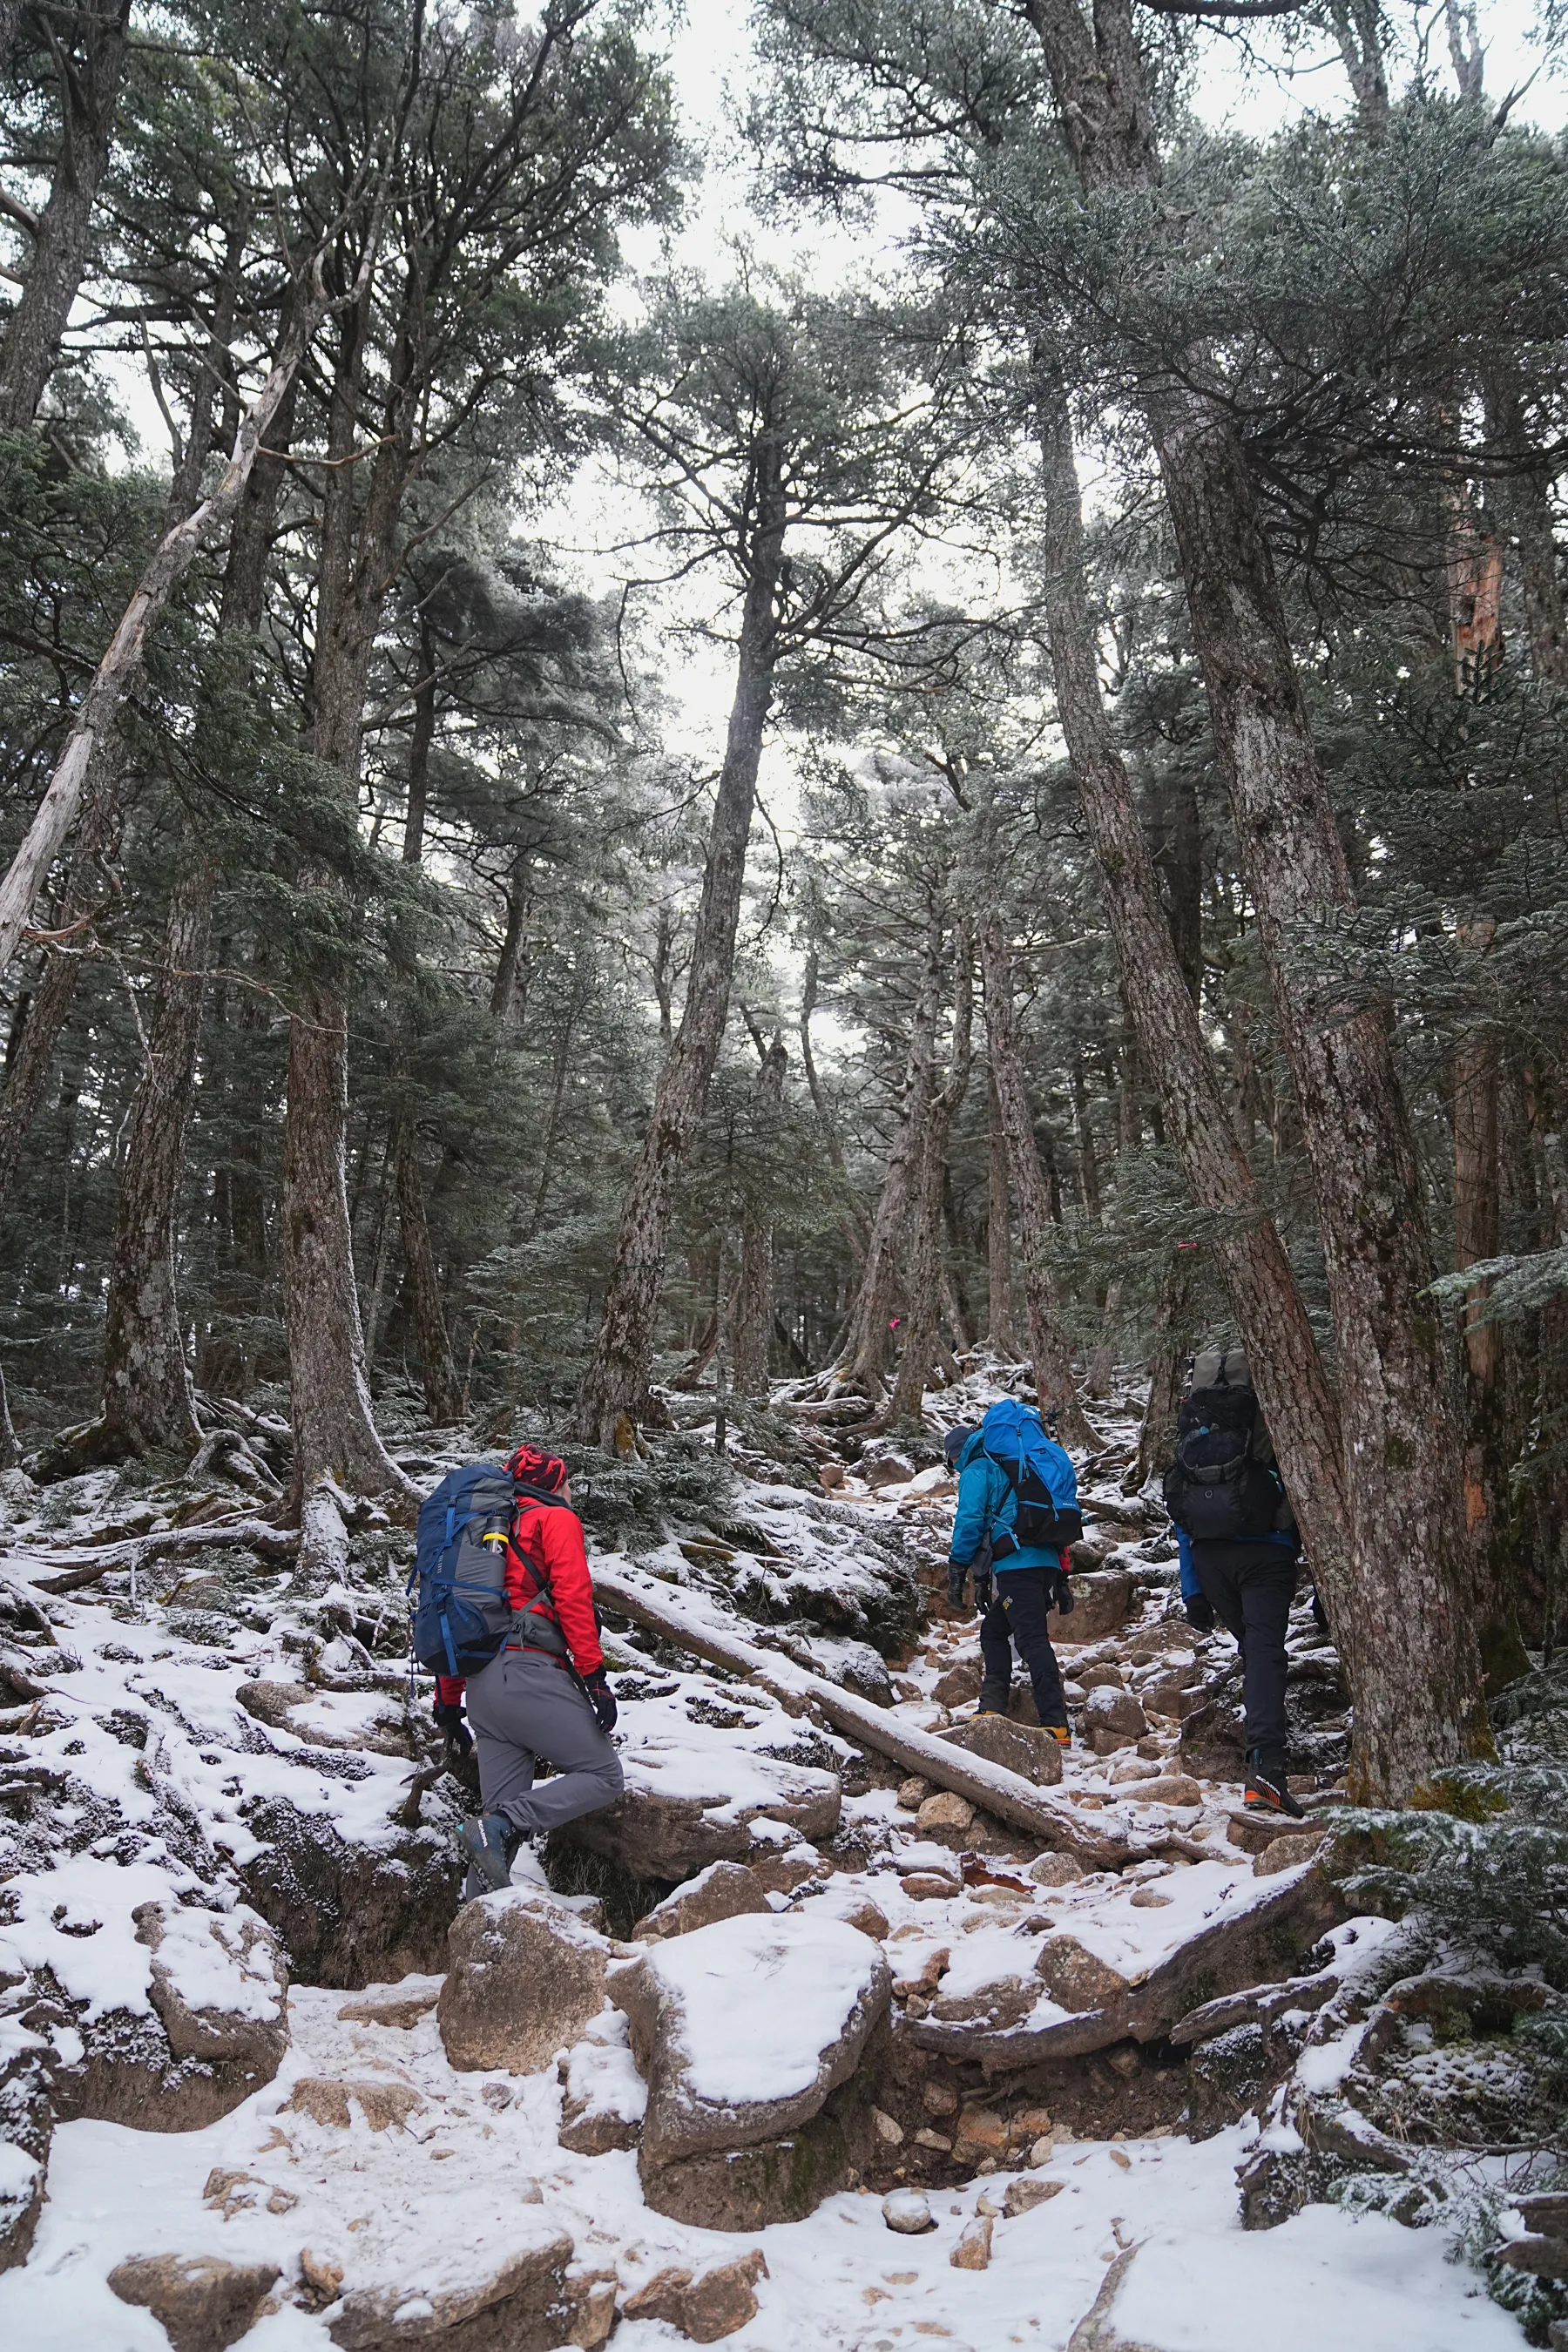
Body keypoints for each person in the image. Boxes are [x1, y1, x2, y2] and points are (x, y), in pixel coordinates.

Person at [435, 1443, 624, 1892]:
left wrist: (448, 1701)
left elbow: (457, 1617)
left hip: (482, 1692)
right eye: (568, 1482)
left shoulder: (476, 1534)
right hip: (529, 1674)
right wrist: (595, 1676)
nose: (572, 1491)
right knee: (603, 1776)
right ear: (554, 1484)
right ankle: (504, 1825)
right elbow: (573, 1597)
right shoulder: (554, 1519)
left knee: (494, 1844)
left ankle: (478, 1934)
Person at [1164, 1347, 1303, 1820]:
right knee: (1264, 1654)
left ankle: (1265, 1748)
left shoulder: (1194, 1422)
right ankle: (1267, 1770)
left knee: (1254, 1652)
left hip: (1209, 1556)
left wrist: (1193, 1590)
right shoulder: (1269, 1416)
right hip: (1265, 1552)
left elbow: (1183, 1509)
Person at [946, 1399, 1079, 1745]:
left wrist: (958, 1568)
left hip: (1017, 1567)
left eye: (952, 1463)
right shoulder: (1024, 1464)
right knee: (993, 1631)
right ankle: (992, 1706)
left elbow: (970, 1521)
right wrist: (1061, 1578)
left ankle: (1056, 1724)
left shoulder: (979, 1468)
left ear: (956, 1455)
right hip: (1043, 1563)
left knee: (1031, 1639)